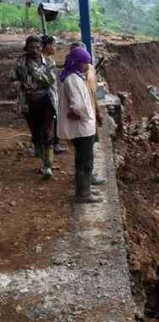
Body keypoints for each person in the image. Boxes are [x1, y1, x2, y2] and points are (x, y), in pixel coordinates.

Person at [58, 46, 101, 204]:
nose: (87, 66)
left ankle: (85, 188)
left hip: (83, 128)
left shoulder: (74, 76)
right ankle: (83, 194)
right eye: (85, 63)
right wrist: (88, 117)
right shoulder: (73, 80)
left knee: (83, 160)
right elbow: (78, 106)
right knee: (85, 161)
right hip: (82, 129)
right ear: (77, 62)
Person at [11, 35, 57, 179]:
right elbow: (13, 78)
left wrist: (36, 74)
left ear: (41, 48)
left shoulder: (49, 62)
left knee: (47, 132)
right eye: (32, 47)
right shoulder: (21, 62)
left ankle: (48, 166)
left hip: (46, 100)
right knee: (36, 132)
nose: (35, 50)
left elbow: (50, 80)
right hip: (28, 101)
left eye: (38, 47)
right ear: (27, 48)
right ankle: (42, 158)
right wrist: (21, 86)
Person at [41, 35, 67, 155]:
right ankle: (52, 145)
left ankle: (50, 144)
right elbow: (49, 79)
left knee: (50, 120)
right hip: (46, 95)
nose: (55, 47)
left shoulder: (49, 60)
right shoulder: (46, 61)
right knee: (50, 120)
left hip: (49, 94)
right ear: (47, 46)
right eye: (53, 45)